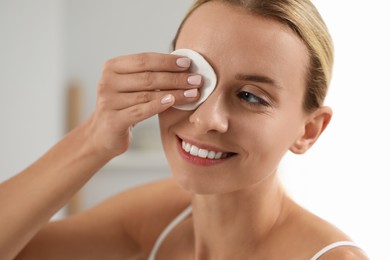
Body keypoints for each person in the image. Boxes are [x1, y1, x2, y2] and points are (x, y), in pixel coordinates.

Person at [0, 0, 369, 259]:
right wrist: (94, 139)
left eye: (250, 96)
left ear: (308, 130)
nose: (206, 119)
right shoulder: (158, 217)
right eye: (195, 80)